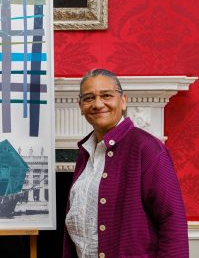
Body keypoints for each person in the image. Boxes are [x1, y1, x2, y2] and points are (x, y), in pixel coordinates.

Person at [63, 69, 189, 258]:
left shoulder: (147, 148)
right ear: (80, 106)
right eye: (89, 98)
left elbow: (172, 221)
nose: (98, 104)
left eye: (106, 95)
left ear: (123, 101)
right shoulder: (85, 153)